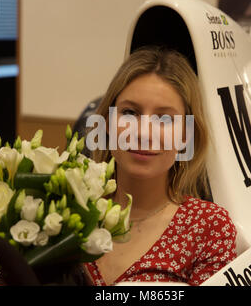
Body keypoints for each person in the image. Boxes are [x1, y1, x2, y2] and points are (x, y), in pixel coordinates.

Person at [84, 46, 237, 286]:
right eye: (130, 112)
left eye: (164, 119)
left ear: (187, 135)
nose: (144, 132)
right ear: (107, 123)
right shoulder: (68, 207)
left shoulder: (208, 228)